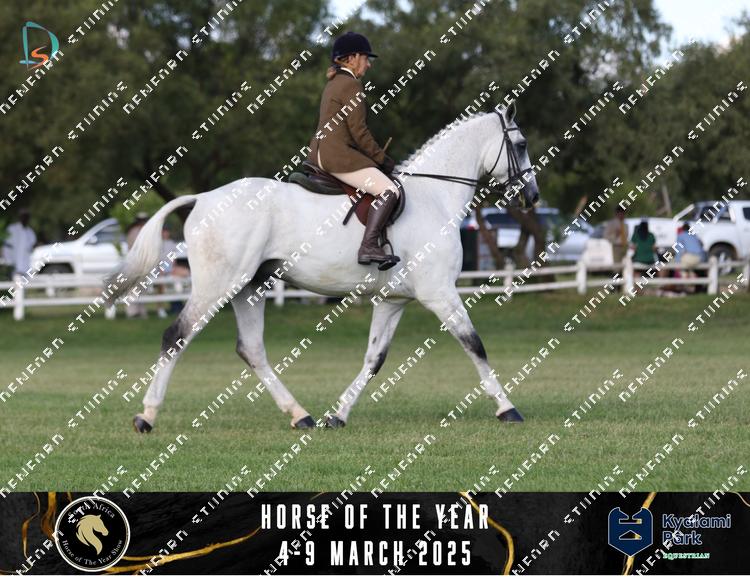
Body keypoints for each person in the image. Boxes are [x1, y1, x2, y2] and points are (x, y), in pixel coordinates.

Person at [307, 31, 400, 270]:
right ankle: (369, 245)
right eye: (366, 58)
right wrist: (382, 159)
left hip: (319, 153)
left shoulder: (333, 83)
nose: (368, 65)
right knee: (390, 190)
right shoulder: (351, 85)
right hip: (336, 155)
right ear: (353, 58)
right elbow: (359, 132)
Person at [124, 212, 149, 318]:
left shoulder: (145, 232)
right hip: (134, 263)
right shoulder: (134, 232)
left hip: (142, 263)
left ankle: (141, 310)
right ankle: (132, 312)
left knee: (142, 288)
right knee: (133, 288)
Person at [2, 208, 36, 276]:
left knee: (23, 281)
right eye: (23, 216)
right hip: (13, 265)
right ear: (20, 217)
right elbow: (6, 246)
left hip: (25, 267)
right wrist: (8, 262)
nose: (25, 219)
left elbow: (32, 247)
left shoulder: (30, 232)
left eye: (27, 217)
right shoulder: (12, 229)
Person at [675, 222, 706, 286]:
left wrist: (677, 263)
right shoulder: (694, 235)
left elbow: (679, 251)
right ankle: (692, 276)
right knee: (689, 266)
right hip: (702, 257)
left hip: (691, 258)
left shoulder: (681, 235)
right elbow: (701, 245)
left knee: (682, 264)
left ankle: (686, 281)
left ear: (682, 229)